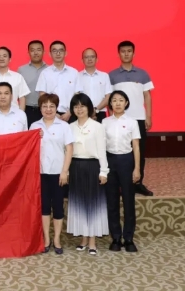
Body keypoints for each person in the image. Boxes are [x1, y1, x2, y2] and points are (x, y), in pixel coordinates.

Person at [29, 93, 74, 255]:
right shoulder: (34, 126)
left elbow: (69, 149)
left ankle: (57, 240)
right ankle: (46, 239)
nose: (48, 109)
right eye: (45, 106)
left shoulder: (64, 126)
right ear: (40, 108)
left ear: (56, 108)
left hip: (58, 173)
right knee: (44, 207)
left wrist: (65, 171)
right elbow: (29, 149)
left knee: (58, 207)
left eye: (52, 106)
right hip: (40, 173)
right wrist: (35, 138)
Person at [108, 40, 154, 196]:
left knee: (139, 151)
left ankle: (138, 183)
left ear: (133, 53)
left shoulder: (143, 74)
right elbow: (109, 99)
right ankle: (122, 184)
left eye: (129, 51)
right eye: (123, 51)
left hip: (138, 119)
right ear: (118, 54)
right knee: (121, 153)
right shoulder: (112, 75)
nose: (126, 54)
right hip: (119, 120)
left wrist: (148, 116)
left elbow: (147, 96)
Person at [67, 93, 109, 256]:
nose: (79, 109)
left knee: (93, 204)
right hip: (75, 166)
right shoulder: (70, 127)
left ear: (89, 108)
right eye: (76, 106)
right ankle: (83, 239)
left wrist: (104, 171)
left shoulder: (97, 126)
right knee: (79, 204)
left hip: (92, 166)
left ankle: (92, 241)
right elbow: (66, 151)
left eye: (82, 106)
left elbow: (102, 150)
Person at [103, 90, 141, 253]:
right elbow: (101, 146)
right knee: (111, 201)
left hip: (126, 161)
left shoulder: (132, 122)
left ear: (126, 103)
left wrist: (137, 168)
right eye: (114, 100)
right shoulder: (104, 122)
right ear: (110, 104)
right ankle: (116, 237)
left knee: (128, 200)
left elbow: (136, 147)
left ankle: (129, 238)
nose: (117, 103)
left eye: (121, 100)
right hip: (110, 161)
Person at [36, 40, 82, 123]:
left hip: (71, 114)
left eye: (61, 50)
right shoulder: (45, 73)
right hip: (50, 114)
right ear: (50, 54)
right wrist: (54, 113)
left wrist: (70, 112)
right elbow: (42, 96)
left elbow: (77, 95)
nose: (58, 53)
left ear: (65, 53)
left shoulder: (74, 72)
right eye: (54, 51)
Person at [0, 47, 30, 111]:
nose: (1, 58)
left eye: (4, 56)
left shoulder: (18, 77)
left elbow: (22, 98)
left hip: (14, 114)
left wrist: (21, 114)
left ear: (10, 59)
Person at [78, 48, 112, 123]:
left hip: (100, 112)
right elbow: (76, 97)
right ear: (82, 60)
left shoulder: (104, 76)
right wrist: (86, 111)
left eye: (92, 57)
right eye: (86, 57)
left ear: (97, 59)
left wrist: (95, 109)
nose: (89, 59)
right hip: (82, 113)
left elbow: (108, 97)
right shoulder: (77, 76)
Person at [18, 40, 48, 127]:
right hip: (27, 109)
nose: (35, 53)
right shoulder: (21, 70)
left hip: (47, 109)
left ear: (44, 52)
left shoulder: (50, 70)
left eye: (38, 50)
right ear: (28, 53)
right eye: (32, 50)